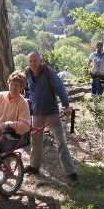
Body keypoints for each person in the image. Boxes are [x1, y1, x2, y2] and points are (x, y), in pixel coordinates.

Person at [24, 52, 78, 182]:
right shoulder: (27, 74)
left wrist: (66, 105)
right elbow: (26, 91)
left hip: (52, 113)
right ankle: (34, 166)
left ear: (40, 61)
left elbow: (60, 88)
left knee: (61, 142)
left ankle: (71, 172)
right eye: (30, 61)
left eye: (35, 60)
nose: (33, 63)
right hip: (36, 113)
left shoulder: (48, 71)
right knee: (36, 142)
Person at [0, 70, 31, 139]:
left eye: (16, 85)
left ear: (21, 87)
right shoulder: (0, 96)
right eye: (12, 84)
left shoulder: (23, 103)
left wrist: (9, 124)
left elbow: (26, 125)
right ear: (8, 84)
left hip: (9, 135)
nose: (13, 87)